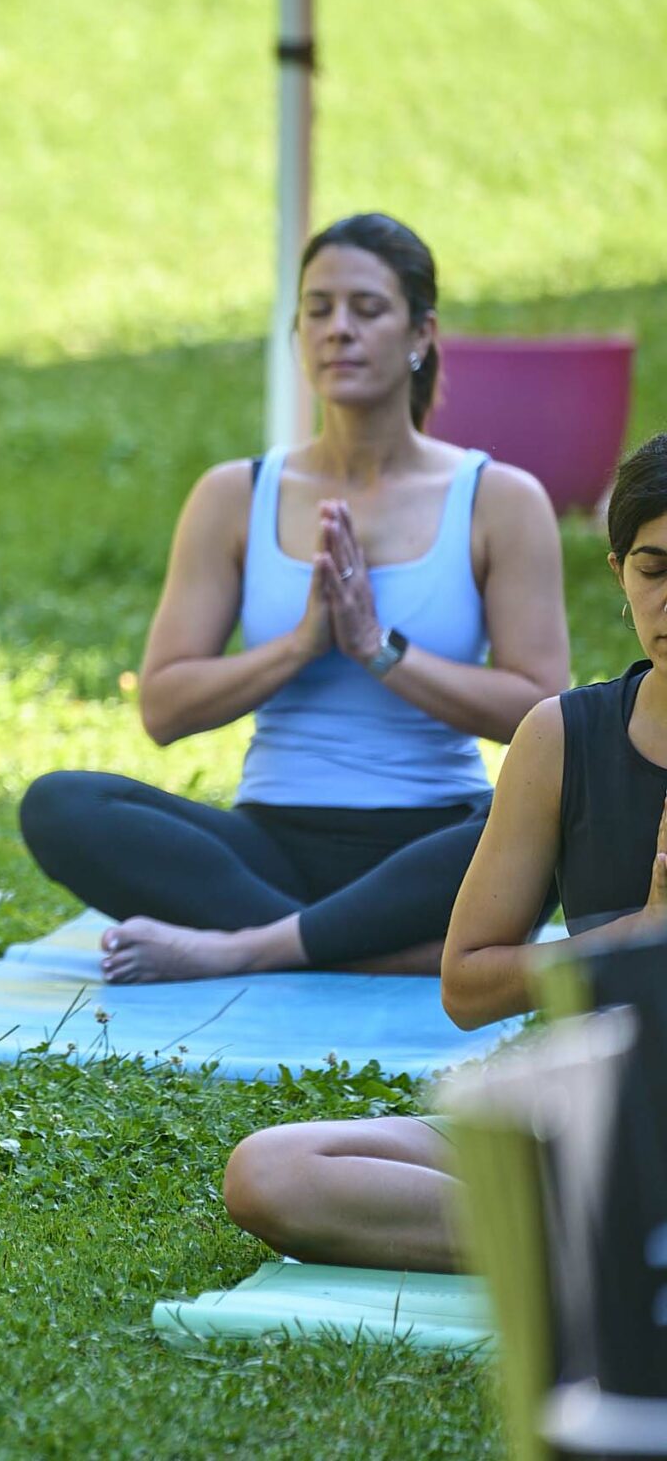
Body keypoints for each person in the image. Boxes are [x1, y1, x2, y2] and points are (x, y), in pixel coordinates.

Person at [18, 214, 569, 983]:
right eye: (318, 308)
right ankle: (377, 952)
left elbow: (540, 710)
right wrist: (301, 646)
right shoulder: (234, 496)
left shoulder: (500, 500)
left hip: (436, 844)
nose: (339, 329)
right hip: (269, 849)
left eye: (367, 309)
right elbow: (164, 708)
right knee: (60, 805)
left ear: (421, 333)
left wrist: (380, 650)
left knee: (560, 815)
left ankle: (246, 948)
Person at [222, 434, 667, 1271]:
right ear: (619, 574)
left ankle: (603, 1243)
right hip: (591, 1123)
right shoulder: (562, 738)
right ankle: (602, 1242)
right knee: (271, 1171)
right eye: (656, 569)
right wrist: (636, 937)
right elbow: (467, 985)